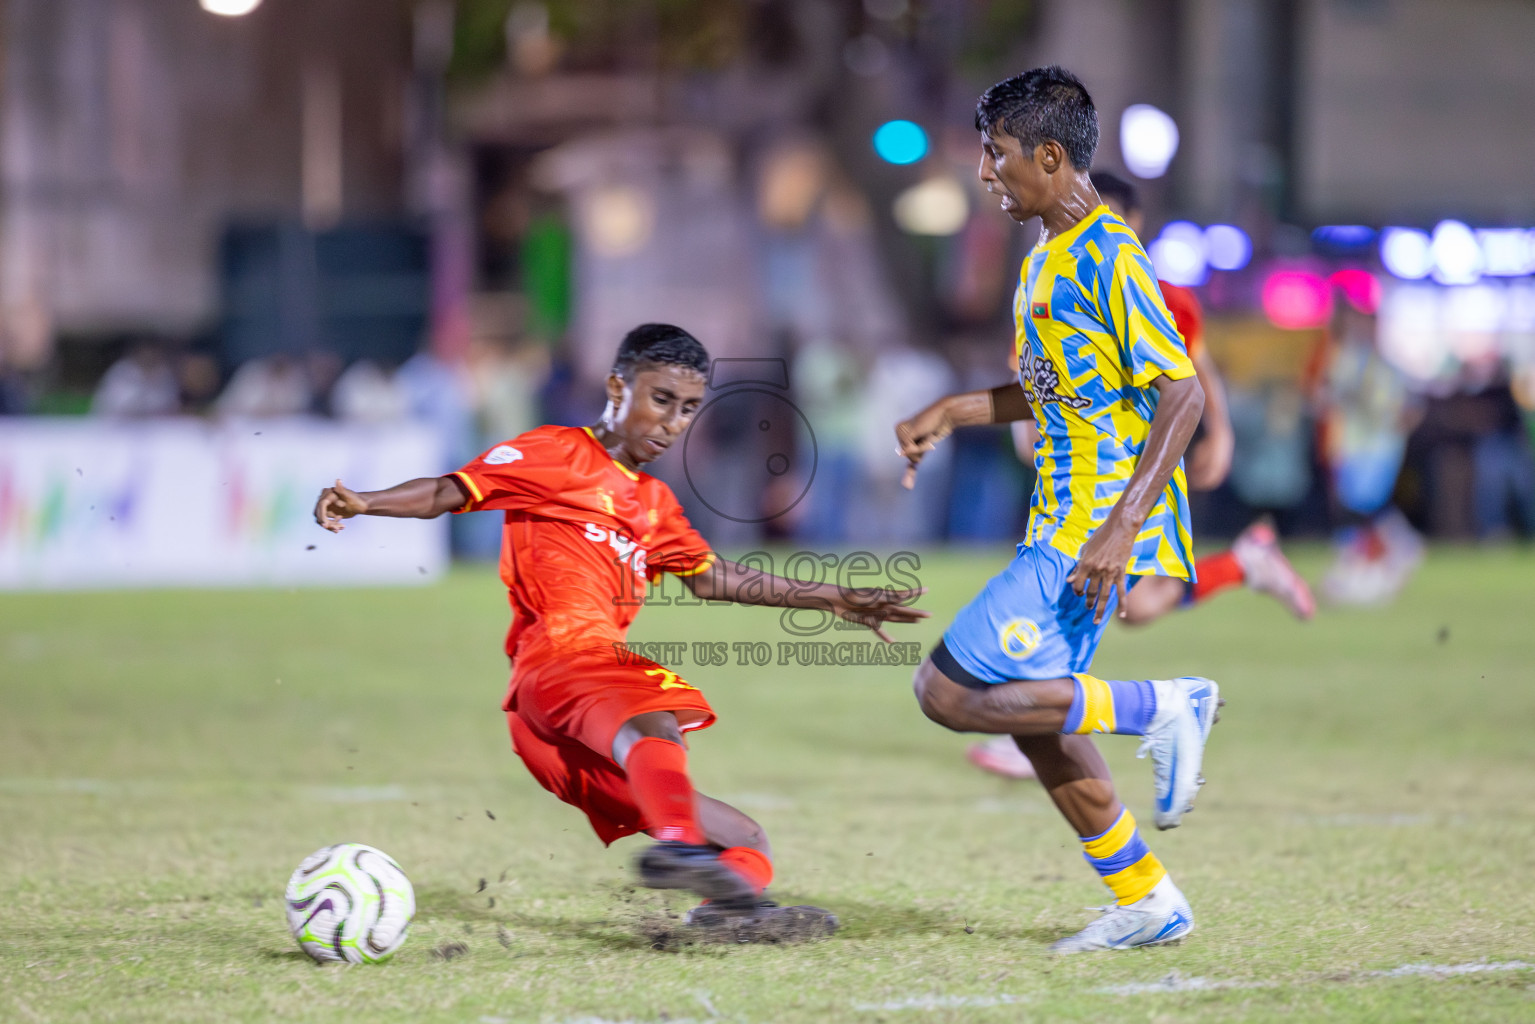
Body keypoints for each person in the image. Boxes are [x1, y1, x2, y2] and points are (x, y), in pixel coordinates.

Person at [314, 323, 926, 937]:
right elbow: (451, 490)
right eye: (661, 400)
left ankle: (720, 914)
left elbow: (713, 577)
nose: (673, 423)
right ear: (617, 386)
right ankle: (679, 845)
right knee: (653, 713)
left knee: (746, 839)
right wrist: (366, 502)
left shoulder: (654, 503)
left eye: (688, 409)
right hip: (559, 665)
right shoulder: (555, 453)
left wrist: (834, 599)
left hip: (572, 719)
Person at [895, 68, 1220, 953]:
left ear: (1047, 155)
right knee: (1037, 720)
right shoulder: (1043, 260)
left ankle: (1164, 704)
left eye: (996, 155)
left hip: (1089, 529)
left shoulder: (1110, 254)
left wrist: (1119, 529)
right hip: (1063, 523)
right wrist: (952, 412)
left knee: (947, 691)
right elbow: (1050, 392)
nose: (986, 173)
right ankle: (1146, 898)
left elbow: (1180, 397)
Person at [969, 172, 1314, 782]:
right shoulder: (1058, 277)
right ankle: (1243, 564)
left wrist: (1223, 434)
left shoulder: (1157, 293)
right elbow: (1033, 367)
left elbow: (1195, 374)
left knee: (1085, 592)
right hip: (1082, 469)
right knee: (1133, 605)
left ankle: (1031, 724)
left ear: (1133, 224)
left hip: (1135, 475)